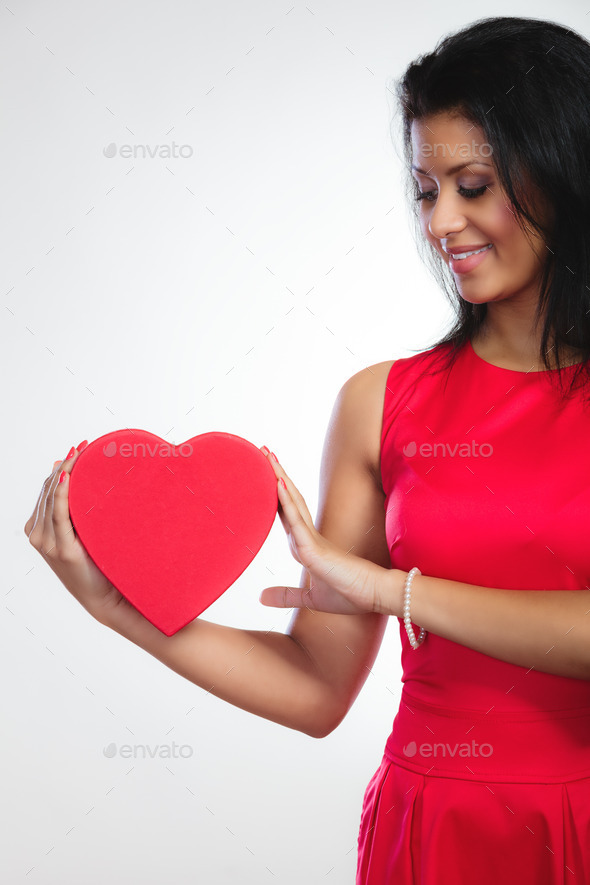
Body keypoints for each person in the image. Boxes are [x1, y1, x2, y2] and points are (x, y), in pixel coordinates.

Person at [25, 14, 590, 884]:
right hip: (430, 828)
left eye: (473, 185)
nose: (441, 221)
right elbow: (316, 689)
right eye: (424, 189)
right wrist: (120, 610)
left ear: (562, 172)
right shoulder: (382, 402)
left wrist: (390, 588)